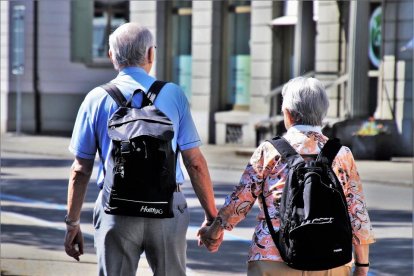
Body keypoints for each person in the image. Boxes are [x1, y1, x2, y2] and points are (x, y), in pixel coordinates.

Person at [64, 22, 220, 276]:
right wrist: (212, 217)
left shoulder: (95, 98)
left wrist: (72, 223)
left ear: (111, 56)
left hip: (116, 209)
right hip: (168, 207)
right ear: (150, 54)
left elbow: (80, 170)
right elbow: (195, 163)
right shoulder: (174, 95)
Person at [198, 77, 375, 276]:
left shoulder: (269, 151)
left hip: (272, 256)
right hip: (331, 259)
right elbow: (357, 213)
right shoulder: (342, 154)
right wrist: (362, 265)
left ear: (288, 114)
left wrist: (214, 230)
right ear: (323, 112)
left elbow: (241, 199)